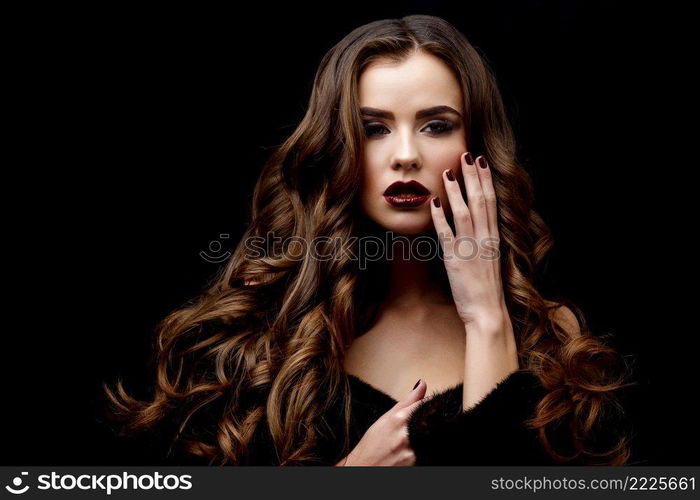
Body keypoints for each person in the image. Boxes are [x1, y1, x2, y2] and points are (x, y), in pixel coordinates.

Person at [103, 14, 635, 466]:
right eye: (373, 128)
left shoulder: (551, 339)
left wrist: (487, 319)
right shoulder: (248, 337)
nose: (405, 155)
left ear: (476, 147)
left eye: (436, 125)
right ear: (335, 148)